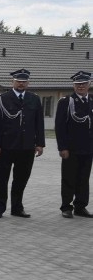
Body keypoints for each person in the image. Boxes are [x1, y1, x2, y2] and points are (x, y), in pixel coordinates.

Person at [0, 69, 45, 218]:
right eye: (18, 81)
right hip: (6, 146)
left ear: (28, 83)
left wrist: (40, 143)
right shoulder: (2, 99)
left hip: (27, 146)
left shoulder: (34, 99)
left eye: (24, 81)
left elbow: (39, 123)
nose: (21, 83)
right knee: (2, 178)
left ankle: (17, 207)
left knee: (21, 179)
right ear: (12, 82)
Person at [55, 71, 93, 218]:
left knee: (84, 178)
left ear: (89, 85)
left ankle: (80, 206)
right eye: (78, 84)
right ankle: (66, 207)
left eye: (84, 84)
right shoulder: (66, 102)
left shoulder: (91, 101)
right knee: (69, 178)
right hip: (71, 148)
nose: (81, 86)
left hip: (88, 148)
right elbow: (60, 126)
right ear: (74, 86)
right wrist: (62, 147)